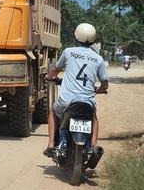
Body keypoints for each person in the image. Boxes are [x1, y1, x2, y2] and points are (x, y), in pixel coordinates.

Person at [43, 23, 109, 157]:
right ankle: (93, 146)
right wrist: (99, 90)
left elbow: (56, 69)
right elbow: (105, 84)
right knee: (93, 117)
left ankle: (51, 144)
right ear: (92, 40)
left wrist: (49, 77)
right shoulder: (98, 59)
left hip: (67, 100)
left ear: (76, 37)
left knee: (53, 111)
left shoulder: (68, 52)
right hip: (87, 101)